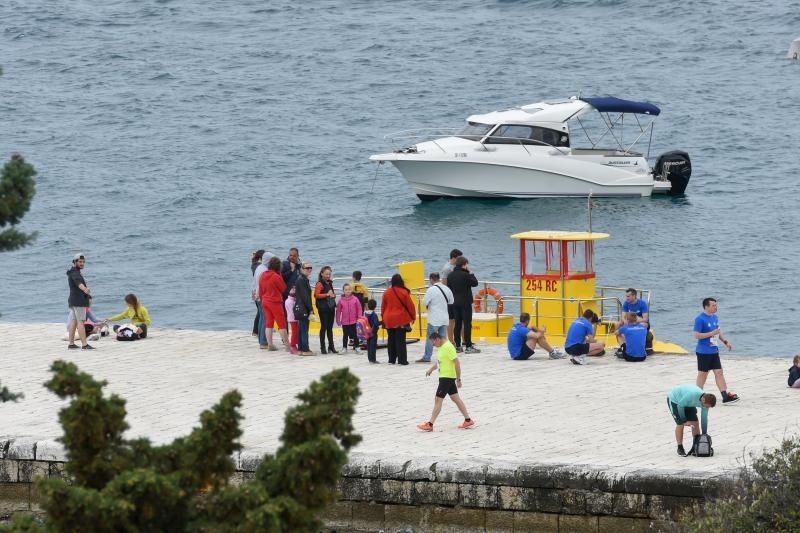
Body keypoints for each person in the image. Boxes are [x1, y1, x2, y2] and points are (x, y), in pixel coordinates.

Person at [417, 332, 474, 432]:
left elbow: (457, 362)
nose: (434, 345)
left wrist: (458, 379)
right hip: (446, 377)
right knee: (455, 399)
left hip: (446, 378)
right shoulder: (441, 347)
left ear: (437, 339)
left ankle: (430, 424)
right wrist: (431, 369)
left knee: (438, 400)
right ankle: (468, 420)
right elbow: (440, 362)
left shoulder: (448, 347)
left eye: (433, 343)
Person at [693, 297, 739, 404]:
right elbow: (696, 335)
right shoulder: (699, 319)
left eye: (716, 305)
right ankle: (697, 395)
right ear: (706, 307)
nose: (715, 307)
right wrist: (711, 334)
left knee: (719, 372)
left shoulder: (715, 317)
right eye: (713, 305)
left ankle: (725, 396)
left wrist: (725, 342)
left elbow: (718, 332)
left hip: (714, 350)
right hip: (703, 351)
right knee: (703, 374)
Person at [667, 384, 717, 456]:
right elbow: (680, 406)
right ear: (703, 399)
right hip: (676, 401)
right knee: (680, 424)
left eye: (708, 407)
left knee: (695, 423)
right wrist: (684, 421)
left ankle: (695, 446)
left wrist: (704, 435)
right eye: (706, 406)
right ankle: (680, 448)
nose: (706, 408)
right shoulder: (692, 395)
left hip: (688, 403)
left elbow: (704, 419)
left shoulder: (706, 403)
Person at [446, 256, 480, 354]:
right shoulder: (466, 275)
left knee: (458, 324)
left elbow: (449, 288)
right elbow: (475, 283)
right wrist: (471, 273)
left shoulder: (451, 275)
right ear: (464, 264)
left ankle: (458, 346)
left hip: (455, 303)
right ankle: (468, 346)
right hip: (465, 303)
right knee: (467, 324)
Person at [418, 272, 454, 363]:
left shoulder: (431, 289)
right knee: (443, 338)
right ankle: (446, 356)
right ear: (439, 278)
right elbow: (451, 302)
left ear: (431, 279)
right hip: (444, 318)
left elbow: (424, 302)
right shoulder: (447, 288)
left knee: (430, 338)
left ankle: (427, 357)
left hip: (434, 318)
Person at [380, 273, 416, 365]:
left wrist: (383, 319)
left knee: (391, 339)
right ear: (401, 281)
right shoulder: (404, 292)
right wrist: (413, 317)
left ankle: (391, 360)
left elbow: (383, 307)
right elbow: (410, 306)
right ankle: (402, 360)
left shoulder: (386, 292)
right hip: (400, 319)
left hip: (388, 318)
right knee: (400, 340)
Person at [259, 256, 290, 351]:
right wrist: (279, 275)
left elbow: (260, 290)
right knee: (281, 324)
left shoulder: (263, 275)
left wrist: (262, 299)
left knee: (269, 323)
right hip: (275, 302)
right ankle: (287, 345)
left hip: (265, 300)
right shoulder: (276, 276)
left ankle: (270, 344)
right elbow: (283, 288)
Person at [66, 253, 94, 350]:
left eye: (83, 262)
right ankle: (84, 344)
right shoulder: (75, 273)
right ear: (75, 262)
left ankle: (71, 344)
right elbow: (79, 283)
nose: (82, 263)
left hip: (74, 300)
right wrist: (85, 289)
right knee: (80, 322)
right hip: (78, 301)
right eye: (80, 262)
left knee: (74, 321)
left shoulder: (73, 272)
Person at [621, 288, 654, 354]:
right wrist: (624, 321)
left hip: (641, 322)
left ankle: (639, 346)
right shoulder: (626, 303)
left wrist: (636, 321)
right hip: (630, 321)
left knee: (641, 323)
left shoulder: (642, 304)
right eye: (626, 296)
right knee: (618, 324)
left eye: (628, 296)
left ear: (634, 296)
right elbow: (623, 316)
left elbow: (645, 319)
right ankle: (623, 346)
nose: (626, 298)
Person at [253, 252, 274, 349]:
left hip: (258, 296)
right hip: (262, 296)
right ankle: (264, 341)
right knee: (265, 319)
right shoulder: (264, 270)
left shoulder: (259, 267)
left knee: (262, 318)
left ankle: (261, 340)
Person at [315, 266, 338, 354]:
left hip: (330, 308)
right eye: (326, 274)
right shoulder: (319, 284)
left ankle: (331, 346)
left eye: (329, 274)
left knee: (330, 328)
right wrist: (327, 295)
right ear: (322, 274)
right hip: (323, 309)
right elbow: (316, 295)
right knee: (323, 327)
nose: (328, 276)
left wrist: (333, 295)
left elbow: (332, 293)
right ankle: (322, 347)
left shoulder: (329, 283)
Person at [440, 249, 462, 343]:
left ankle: (463, 339)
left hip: (456, 296)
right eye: (459, 258)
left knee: (459, 320)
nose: (460, 260)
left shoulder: (455, 266)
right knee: (451, 320)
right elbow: (444, 283)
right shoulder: (447, 268)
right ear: (453, 258)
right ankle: (451, 340)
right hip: (450, 298)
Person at [294, 262, 315, 356]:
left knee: (301, 328)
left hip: (300, 306)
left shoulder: (302, 279)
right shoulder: (302, 280)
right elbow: (305, 296)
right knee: (304, 329)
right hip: (303, 308)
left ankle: (301, 349)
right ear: (302, 269)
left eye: (310, 267)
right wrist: (310, 309)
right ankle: (305, 349)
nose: (309, 269)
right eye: (307, 268)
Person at [336, 283, 362, 354]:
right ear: (343, 291)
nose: (348, 291)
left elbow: (359, 309)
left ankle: (357, 347)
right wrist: (338, 320)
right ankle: (344, 348)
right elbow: (338, 311)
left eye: (349, 289)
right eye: (346, 290)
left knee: (355, 335)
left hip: (354, 321)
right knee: (345, 335)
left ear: (351, 290)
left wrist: (359, 317)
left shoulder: (355, 299)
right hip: (345, 322)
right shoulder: (341, 300)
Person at [250, 250, 265, 335]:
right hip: (258, 291)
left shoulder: (254, 265)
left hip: (255, 290)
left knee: (259, 312)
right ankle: (256, 331)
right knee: (261, 312)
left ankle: (255, 331)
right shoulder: (258, 266)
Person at [364, 299, 380, 364]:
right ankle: (373, 360)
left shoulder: (365, 314)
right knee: (373, 346)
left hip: (367, 333)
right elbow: (376, 324)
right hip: (373, 333)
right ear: (375, 306)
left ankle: (370, 359)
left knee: (369, 346)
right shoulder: (374, 315)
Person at [284, 288, 299, 354]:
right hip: (293, 319)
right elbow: (292, 312)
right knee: (294, 332)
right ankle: (293, 345)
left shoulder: (289, 300)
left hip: (292, 318)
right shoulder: (290, 302)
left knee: (295, 331)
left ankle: (295, 343)